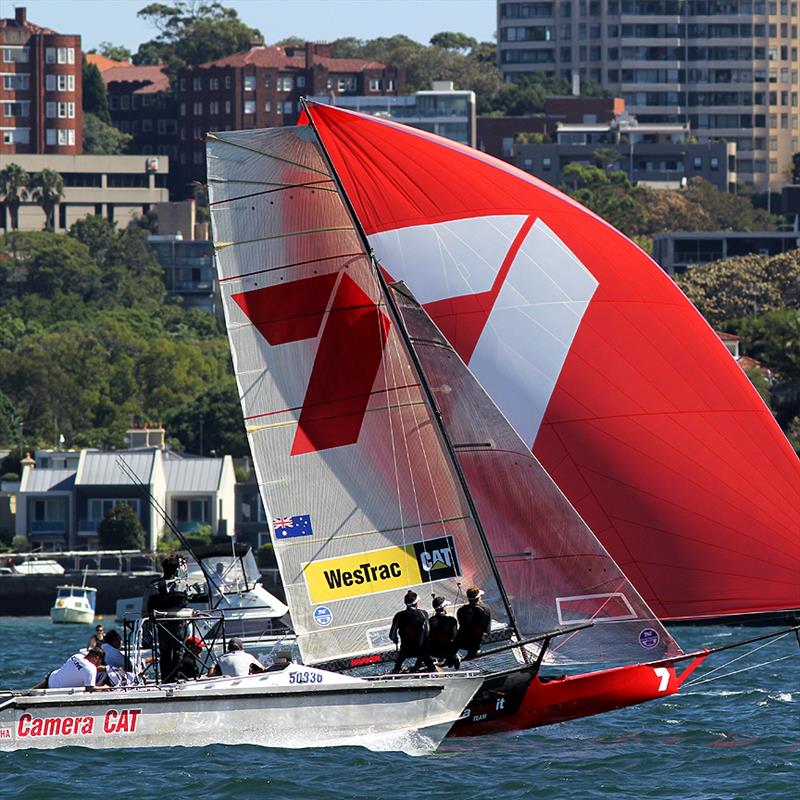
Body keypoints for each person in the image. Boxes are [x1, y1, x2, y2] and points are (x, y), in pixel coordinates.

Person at [145, 554, 189, 683]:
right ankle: (175, 678)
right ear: (176, 570)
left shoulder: (154, 585)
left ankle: (165, 678)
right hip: (178, 622)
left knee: (164, 652)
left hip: (162, 622)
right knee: (178, 650)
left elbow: (146, 608)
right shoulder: (181, 584)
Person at [389, 590, 434, 674]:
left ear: (405, 603)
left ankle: (396, 670)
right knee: (427, 658)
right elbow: (427, 633)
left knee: (399, 661)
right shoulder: (423, 613)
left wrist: (396, 640)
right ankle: (424, 668)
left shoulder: (399, 616)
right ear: (416, 603)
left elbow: (392, 635)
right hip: (421, 650)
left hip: (405, 650)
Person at [32, 647, 107, 691]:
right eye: (99, 662)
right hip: (56, 691)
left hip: (51, 678)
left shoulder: (77, 656)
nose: (98, 664)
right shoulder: (91, 669)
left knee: (30, 692)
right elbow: (90, 689)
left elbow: (82, 669)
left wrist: (106, 668)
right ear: (97, 658)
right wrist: (104, 687)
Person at [455, 586, 492, 660]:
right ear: (479, 598)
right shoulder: (486, 610)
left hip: (463, 642)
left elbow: (462, 626)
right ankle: (473, 651)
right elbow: (487, 631)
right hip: (476, 643)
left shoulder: (460, 610)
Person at [426, 596, 460, 669]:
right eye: (446, 606)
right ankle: (453, 660)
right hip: (448, 652)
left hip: (433, 652)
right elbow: (455, 638)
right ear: (444, 607)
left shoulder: (430, 621)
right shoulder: (452, 620)